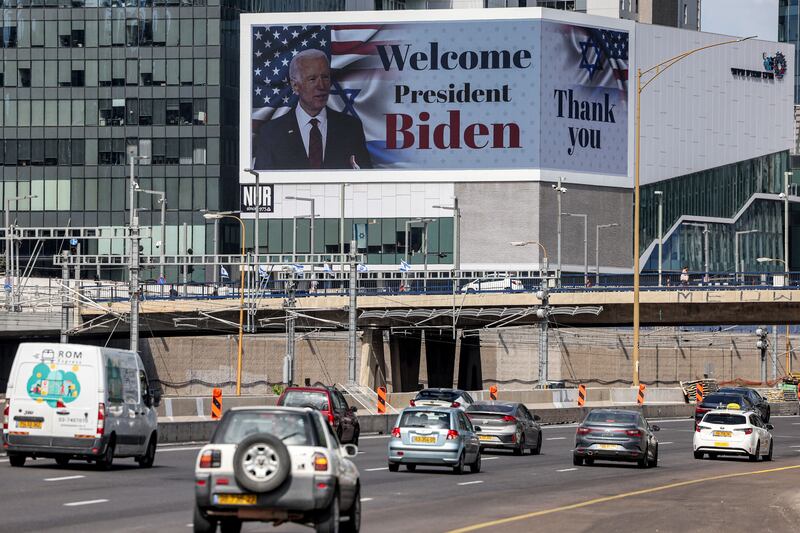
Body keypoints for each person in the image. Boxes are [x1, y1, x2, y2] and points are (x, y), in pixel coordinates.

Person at [252, 49, 373, 170]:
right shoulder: (272, 133)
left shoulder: (351, 128)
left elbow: (365, 179)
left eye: (325, 77)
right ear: (295, 86)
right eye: (312, 79)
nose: (321, 85)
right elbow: (263, 184)